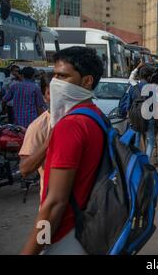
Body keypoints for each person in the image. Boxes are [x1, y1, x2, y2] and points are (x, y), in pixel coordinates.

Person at [21, 46, 104, 255]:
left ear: (87, 81)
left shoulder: (70, 125)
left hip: (66, 234)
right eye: (54, 76)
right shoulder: (95, 115)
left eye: (62, 76)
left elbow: (55, 203)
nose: (55, 83)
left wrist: (35, 247)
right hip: (89, 227)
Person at [19, 72, 53, 206]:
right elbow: (24, 169)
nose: (57, 96)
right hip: (51, 206)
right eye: (51, 92)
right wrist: (48, 143)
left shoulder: (82, 120)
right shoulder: (38, 127)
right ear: (45, 97)